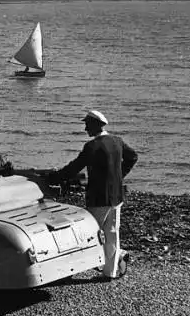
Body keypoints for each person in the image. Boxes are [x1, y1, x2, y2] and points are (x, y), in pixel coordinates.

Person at [49, 110, 138, 279]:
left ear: (96, 125)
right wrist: (119, 176)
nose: (85, 129)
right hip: (116, 196)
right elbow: (133, 157)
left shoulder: (92, 147)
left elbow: (74, 167)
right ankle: (110, 271)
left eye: (87, 125)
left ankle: (76, 268)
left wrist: (55, 177)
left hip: (98, 197)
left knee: (88, 234)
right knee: (112, 233)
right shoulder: (117, 142)